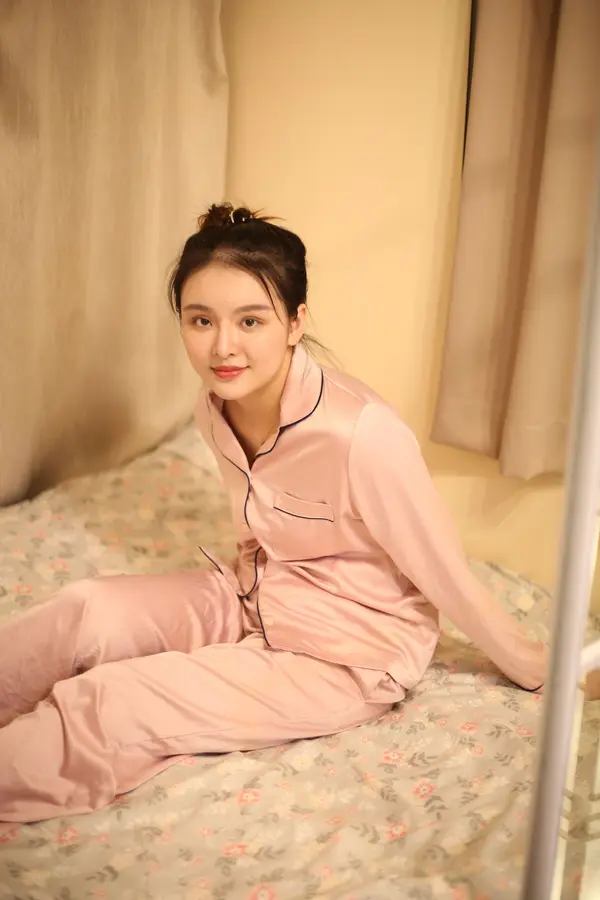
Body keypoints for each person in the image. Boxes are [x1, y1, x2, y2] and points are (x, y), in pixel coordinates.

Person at [0, 203, 550, 826]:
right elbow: (253, 527)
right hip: (254, 597)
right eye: (201, 320)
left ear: (295, 322)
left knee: (111, 702)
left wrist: (539, 670)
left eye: (250, 321)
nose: (223, 347)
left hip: (345, 654)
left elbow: (444, 571)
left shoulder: (360, 434)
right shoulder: (215, 406)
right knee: (87, 609)